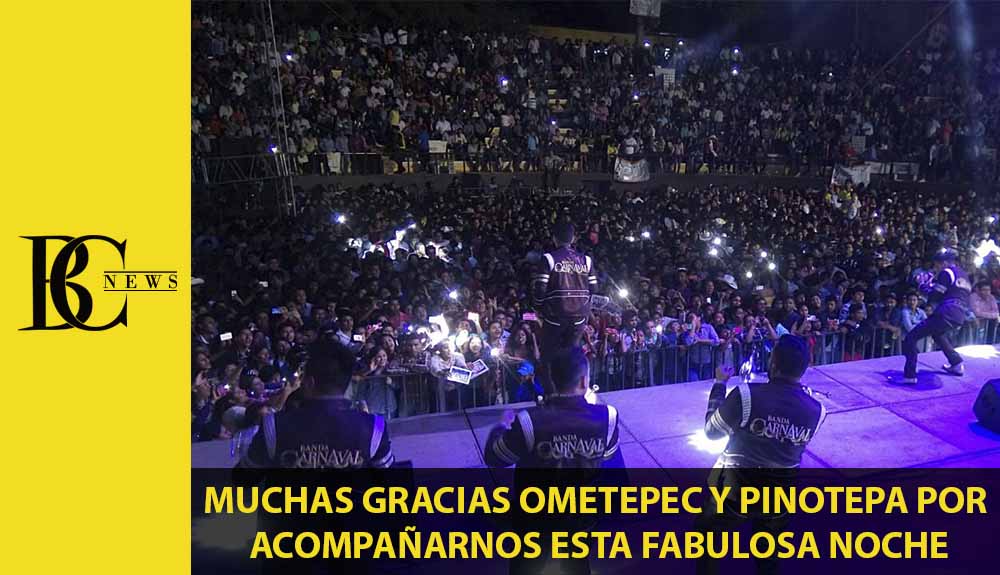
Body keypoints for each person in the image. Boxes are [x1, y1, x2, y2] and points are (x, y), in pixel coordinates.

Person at [697, 334, 827, 575]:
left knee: (708, 542)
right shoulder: (817, 410)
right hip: (780, 495)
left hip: (734, 490)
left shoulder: (746, 395)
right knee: (768, 557)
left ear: (773, 364)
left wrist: (719, 384)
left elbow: (711, 432)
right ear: (805, 368)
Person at [239, 337, 394, 468]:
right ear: (346, 382)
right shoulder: (374, 426)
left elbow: (243, 479)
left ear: (309, 382)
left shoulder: (274, 425)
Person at [484, 346, 619, 469]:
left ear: (552, 379)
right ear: (584, 381)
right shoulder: (608, 416)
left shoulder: (528, 422)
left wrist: (501, 425)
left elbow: (495, 458)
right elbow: (607, 456)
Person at [532, 220, 598, 395]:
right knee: (572, 356)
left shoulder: (549, 258)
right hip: (579, 317)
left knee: (548, 356)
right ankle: (573, 394)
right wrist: (584, 306)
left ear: (554, 238)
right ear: (573, 238)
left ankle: (552, 396)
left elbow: (540, 289)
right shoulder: (586, 260)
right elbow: (594, 288)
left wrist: (539, 307)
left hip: (555, 316)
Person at [896, 249, 971, 384]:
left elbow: (935, 295)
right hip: (960, 314)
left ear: (944, 263)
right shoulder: (963, 275)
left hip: (946, 312)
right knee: (937, 334)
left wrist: (922, 286)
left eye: (936, 264)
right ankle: (957, 363)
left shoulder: (946, 272)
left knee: (910, 338)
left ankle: (909, 376)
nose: (936, 268)